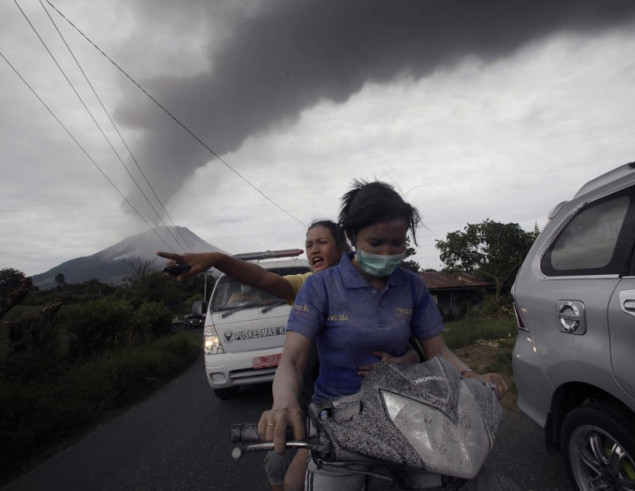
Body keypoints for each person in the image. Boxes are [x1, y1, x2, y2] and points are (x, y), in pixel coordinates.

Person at [258, 180, 508, 490]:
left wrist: (472, 377)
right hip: (337, 417)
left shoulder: (412, 286)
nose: (388, 253)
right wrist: (283, 403)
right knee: (298, 483)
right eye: (376, 243)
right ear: (351, 237)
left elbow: (438, 352)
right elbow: (293, 361)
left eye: (398, 243)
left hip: (405, 412)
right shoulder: (320, 287)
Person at [157, 219, 419, 491]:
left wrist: (406, 360)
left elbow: (411, 345)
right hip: (313, 398)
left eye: (321, 242)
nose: (313, 249)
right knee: (281, 468)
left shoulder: (385, 287)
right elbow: (261, 279)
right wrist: (218, 259)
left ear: (344, 248)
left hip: (375, 403)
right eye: (309, 244)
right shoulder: (310, 285)